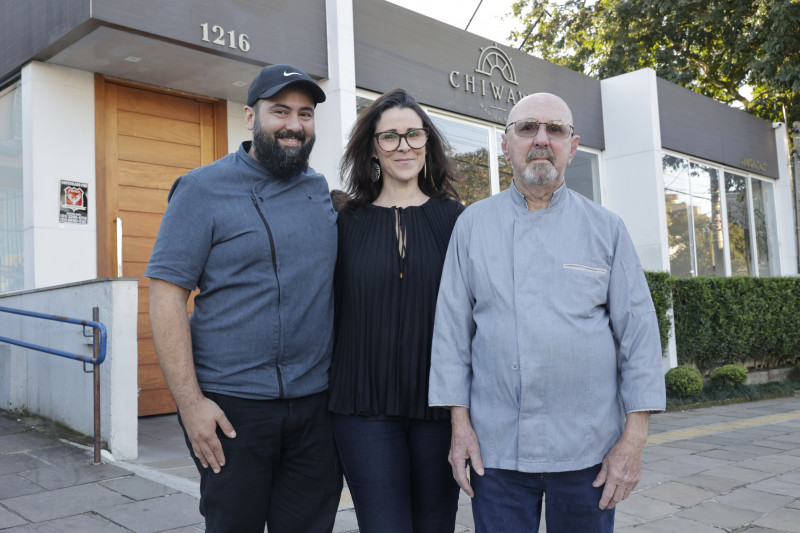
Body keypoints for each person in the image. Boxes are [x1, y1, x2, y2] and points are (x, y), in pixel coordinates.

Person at [428, 92, 666, 533]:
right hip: (495, 453)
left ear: (572, 147)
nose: (541, 140)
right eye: (527, 128)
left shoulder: (607, 229)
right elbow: (451, 336)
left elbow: (639, 338)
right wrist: (459, 428)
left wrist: (633, 443)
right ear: (506, 145)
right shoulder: (472, 225)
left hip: (589, 453)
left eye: (554, 129)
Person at [145, 63, 342, 533]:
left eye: (306, 113)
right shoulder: (200, 189)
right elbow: (165, 297)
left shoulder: (319, 191)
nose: (294, 125)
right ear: (250, 117)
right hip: (232, 411)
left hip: (316, 409)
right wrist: (190, 403)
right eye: (280, 111)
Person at [328, 88, 464, 533]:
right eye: (390, 137)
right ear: (372, 148)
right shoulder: (345, 222)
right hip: (363, 409)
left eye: (413, 134)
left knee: (436, 526)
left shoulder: (457, 220)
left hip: (439, 410)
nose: (404, 146)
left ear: (428, 141)